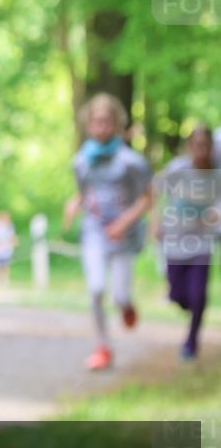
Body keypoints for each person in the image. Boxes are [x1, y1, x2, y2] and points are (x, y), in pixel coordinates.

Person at [63, 93, 153, 371]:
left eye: (107, 122)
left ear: (117, 125)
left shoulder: (131, 162)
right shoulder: (81, 161)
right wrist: (74, 203)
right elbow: (84, 192)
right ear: (88, 125)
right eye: (96, 122)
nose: (101, 127)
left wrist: (124, 223)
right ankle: (103, 348)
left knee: (119, 296)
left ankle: (127, 306)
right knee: (96, 289)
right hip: (94, 232)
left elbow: (148, 198)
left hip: (124, 237)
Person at [153, 125, 218, 362]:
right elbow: (155, 192)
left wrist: (215, 215)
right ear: (190, 147)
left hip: (201, 243)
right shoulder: (178, 169)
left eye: (206, 145)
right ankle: (188, 304)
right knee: (178, 295)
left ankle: (191, 342)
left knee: (198, 296)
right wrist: (156, 221)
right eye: (197, 145)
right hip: (175, 241)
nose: (201, 150)